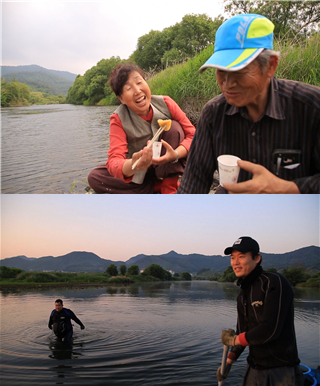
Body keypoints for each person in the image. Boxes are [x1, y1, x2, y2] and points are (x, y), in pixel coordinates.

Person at [177, 13, 320, 194]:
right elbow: (193, 182)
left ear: (270, 65)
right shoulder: (214, 113)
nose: (227, 84)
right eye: (220, 70)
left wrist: (288, 189)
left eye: (239, 70)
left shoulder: (311, 107)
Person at [88, 63, 196, 194]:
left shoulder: (166, 103)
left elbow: (193, 135)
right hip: (138, 171)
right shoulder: (118, 118)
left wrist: (176, 154)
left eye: (139, 82)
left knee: (174, 127)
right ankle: (156, 186)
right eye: (128, 88)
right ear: (121, 98)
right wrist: (134, 164)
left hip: (165, 164)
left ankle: (169, 187)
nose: (137, 91)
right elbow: (114, 160)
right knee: (95, 177)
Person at [217, 236, 303, 386]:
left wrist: (234, 339)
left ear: (257, 258)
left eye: (241, 257)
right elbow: (243, 331)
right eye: (232, 258)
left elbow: (270, 329)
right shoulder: (242, 294)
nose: (235, 262)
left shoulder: (274, 282)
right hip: (254, 369)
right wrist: (229, 361)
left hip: (281, 371)